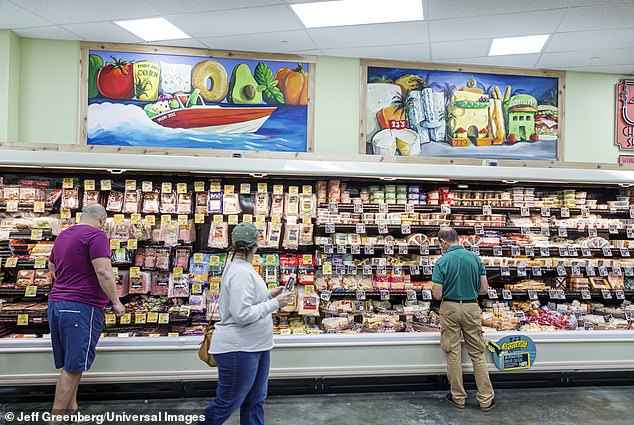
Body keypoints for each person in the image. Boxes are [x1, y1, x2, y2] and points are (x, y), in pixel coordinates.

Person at [200, 222, 293, 425]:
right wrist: (275, 303)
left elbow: (246, 302)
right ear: (255, 246)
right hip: (239, 349)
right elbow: (241, 314)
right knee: (227, 403)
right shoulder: (241, 272)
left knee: (254, 401)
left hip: (254, 346)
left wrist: (269, 295)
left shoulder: (239, 267)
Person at [47, 204, 125, 417]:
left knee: (71, 365)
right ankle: (55, 420)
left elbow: (51, 265)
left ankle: (72, 412)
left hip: (56, 304)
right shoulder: (97, 235)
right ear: (102, 220)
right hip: (81, 307)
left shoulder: (63, 235)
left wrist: (67, 283)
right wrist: (116, 302)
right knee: (73, 368)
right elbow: (104, 272)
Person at [431, 227, 495, 412]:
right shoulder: (475, 259)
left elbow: (437, 294)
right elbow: (484, 289)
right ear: (458, 239)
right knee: (477, 354)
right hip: (471, 307)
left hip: (450, 308)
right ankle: (486, 399)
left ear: (443, 242)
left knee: (453, 353)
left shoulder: (442, 261)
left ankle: (458, 397)